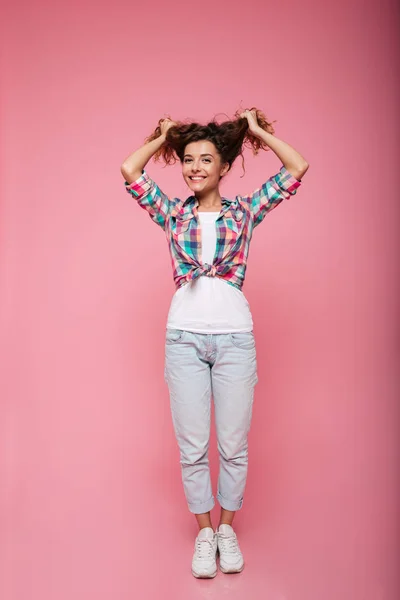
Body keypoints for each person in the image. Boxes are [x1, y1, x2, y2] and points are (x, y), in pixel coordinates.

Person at [120, 108, 309, 578]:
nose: (195, 167)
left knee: (233, 444)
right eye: (187, 160)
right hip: (183, 338)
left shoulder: (244, 212)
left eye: (207, 159)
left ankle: (227, 528)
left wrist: (259, 132)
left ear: (224, 167)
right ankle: (204, 532)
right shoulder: (171, 213)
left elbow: (296, 170)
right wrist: (162, 135)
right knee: (191, 446)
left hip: (234, 340)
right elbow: (129, 171)